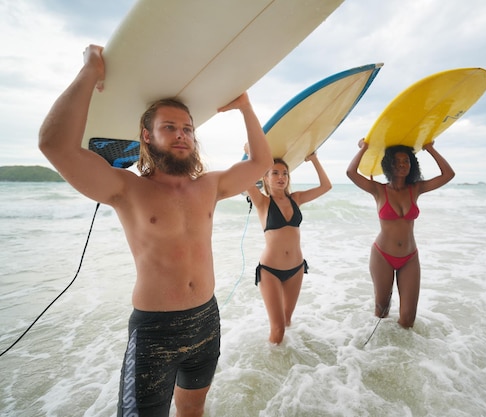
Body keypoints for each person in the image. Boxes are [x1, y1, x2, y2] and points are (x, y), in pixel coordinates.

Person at [38, 45, 273, 417]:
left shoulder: (209, 185)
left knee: (192, 411)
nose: (182, 135)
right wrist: (90, 71)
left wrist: (245, 107)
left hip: (206, 322)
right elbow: (54, 145)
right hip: (154, 333)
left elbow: (262, 162)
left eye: (187, 129)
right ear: (146, 136)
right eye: (169, 128)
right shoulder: (126, 189)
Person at [346, 139, 454, 328]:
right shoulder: (378, 189)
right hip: (382, 256)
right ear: (389, 165)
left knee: (408, 319)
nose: (402, 165)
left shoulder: (416, 188)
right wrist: (364, 148)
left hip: (409, 258)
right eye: (396, 162)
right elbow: (351, 173)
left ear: (412, 164)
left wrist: (430, 149)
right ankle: (380, 352)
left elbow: (448, 175)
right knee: (381, 312)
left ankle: (406, 354)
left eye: (406, 161)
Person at [245, 152, 331, 344]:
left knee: (287, 321)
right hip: (270, 271)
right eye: (275, 173)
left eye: (285, 173)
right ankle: (270, 368)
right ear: (265, 178)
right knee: (278, 328)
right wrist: (252, 155)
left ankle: (289, 367)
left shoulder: (296, 199)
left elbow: (326, 186)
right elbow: (244, 179)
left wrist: (314, 159)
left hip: (296, 269)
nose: (281, 177)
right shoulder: (262, 202)